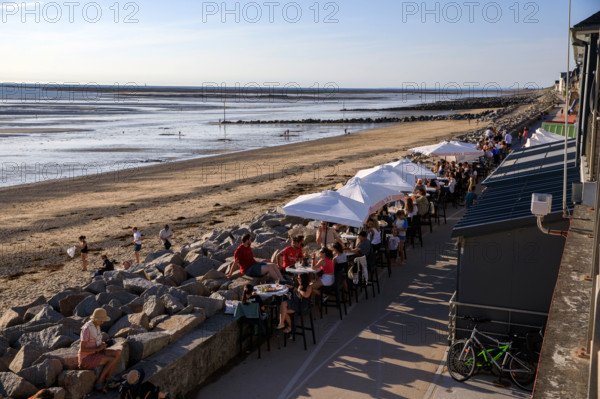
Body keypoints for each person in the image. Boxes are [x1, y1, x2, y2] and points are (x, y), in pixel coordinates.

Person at [79, 308, 122, 392]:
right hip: (86, 358)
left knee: (118, 352)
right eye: (101, 320)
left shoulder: (97, 326)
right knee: (111, 359)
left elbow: (96, 340)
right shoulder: (86, 329)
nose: (103, 322)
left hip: (97, 351)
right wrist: (98, 348)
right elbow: (83, 348)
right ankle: (99, 381)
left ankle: (109, 377)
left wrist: (101, 344)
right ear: (96, 319)